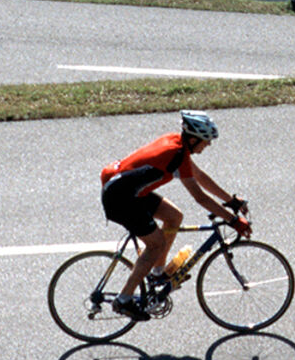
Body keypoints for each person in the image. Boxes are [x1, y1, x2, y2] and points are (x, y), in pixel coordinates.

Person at [100, 110, 249, 322]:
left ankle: (157, 273)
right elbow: (200, 198)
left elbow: (199, 176)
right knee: (156, 245)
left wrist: (230, 200)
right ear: (193, 139)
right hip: (121, 200)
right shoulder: (176, 154)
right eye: (206, 141)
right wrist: (232, 220)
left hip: (129, 192)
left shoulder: (177, 145)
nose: (208, 145)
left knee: (174, 217)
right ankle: (124, 300)